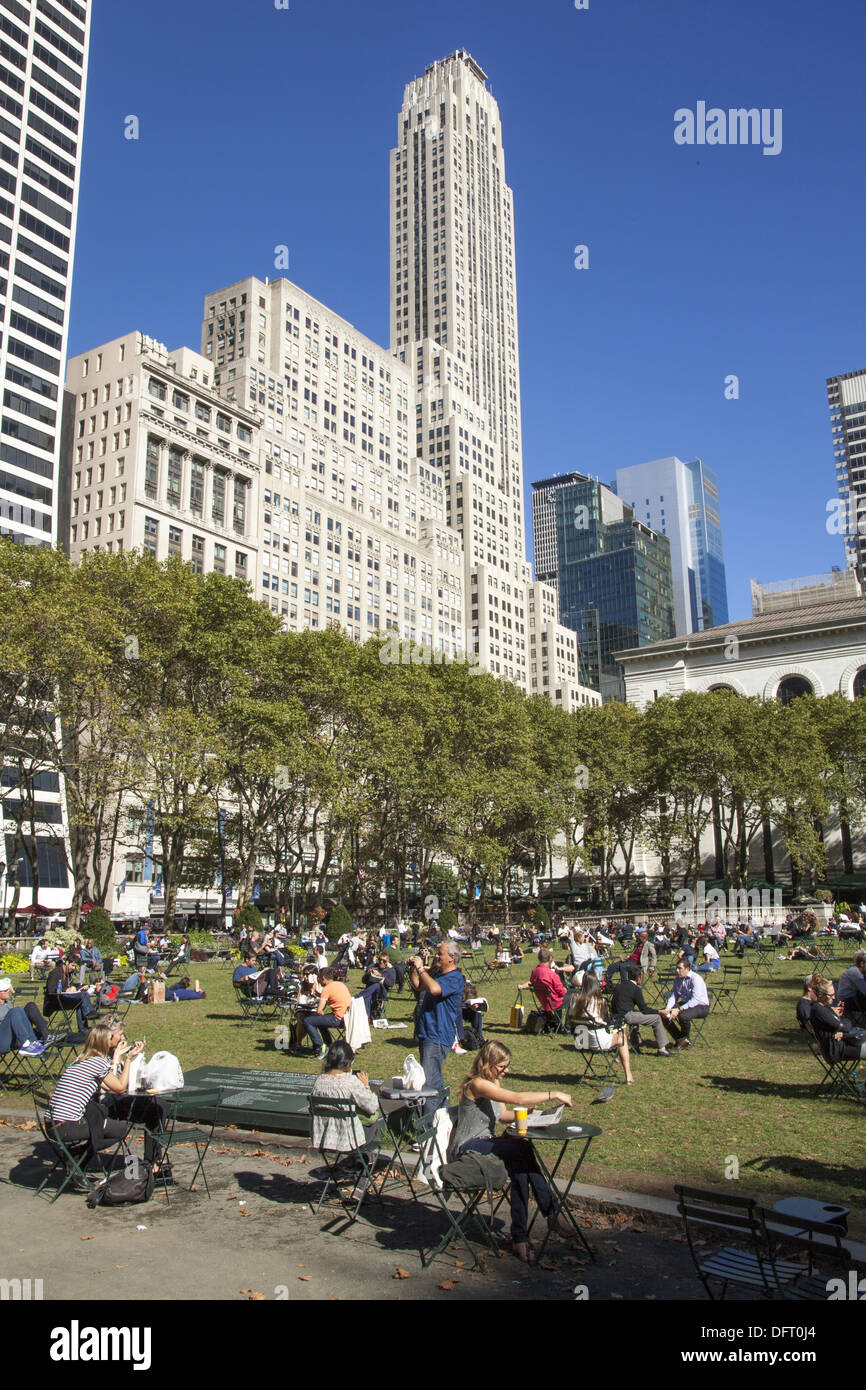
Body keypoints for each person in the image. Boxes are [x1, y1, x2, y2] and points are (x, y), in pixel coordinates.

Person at [451, 1041, 574, 1263]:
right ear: (489, 1063)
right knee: (521, 1150)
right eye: (502, 1066)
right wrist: (554, 1093)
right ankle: (550, 1214)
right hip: (469, 1145)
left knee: (520, 1162)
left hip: (487, 1141)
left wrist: (527, 1113)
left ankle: (521, 1237)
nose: (506, 1071)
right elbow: (517, 1097)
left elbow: (503, 1115)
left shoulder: (492, 1081)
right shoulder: (478, 1084)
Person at [45, 1024, 165, 1184]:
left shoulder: (80, 1059)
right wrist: (128, 1059)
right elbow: (120, 1087)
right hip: (66, 1126)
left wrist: (116, 1059)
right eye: (112, 1037)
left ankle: (76, 1160)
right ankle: (76, 1157)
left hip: (53, 1123)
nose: (118, 1039)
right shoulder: (97, 1063)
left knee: (106, 1125)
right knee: (120, 1129)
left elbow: (111, 1087)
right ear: (104, 1042)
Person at [408, 941, 465, 1113]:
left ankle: (431, 1127)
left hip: (438, 1036)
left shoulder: (455, 978)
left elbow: (433, 989)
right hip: (428, 1033)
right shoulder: (439, 974)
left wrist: (421, 969)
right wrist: (412, 968)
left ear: (452, 958)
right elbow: (419, 985)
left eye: (440, 954)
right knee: (434, 1079)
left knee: (431, 1084)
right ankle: (445, 1118)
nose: (436, 956)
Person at [310, 1039, 378, 1151]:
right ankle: (363, 1159)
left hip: (323, 1137)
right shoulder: (350, 1082)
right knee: (372, 1119)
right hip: (348, 1139)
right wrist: (366, 1086)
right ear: (347, 1063)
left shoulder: (319, 1081)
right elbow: (372, 1106)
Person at [569, 972, 635, 1083]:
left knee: (612, 1032)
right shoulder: (600, 1002)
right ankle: (628, 1075)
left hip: (581, 1041)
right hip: (597, 1041)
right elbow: (606, 1022)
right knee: (622, 1035)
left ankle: (618, 1057)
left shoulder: (574, 999)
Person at [610, 964, 676, 1058]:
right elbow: (644, 1009)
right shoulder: (636, 989)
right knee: (656, 1019)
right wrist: (659, 1012)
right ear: (638, 978)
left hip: (615, 1016)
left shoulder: (620, 986)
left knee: (635, 1014)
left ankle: (635, 1045)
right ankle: (662, 1048)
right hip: (626, 1016)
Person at [658, 958, 710, 1050]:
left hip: (701, 1006)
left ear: (687, 969)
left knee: (683, 1016)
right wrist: (667, 1009)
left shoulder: (696, 979)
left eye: (679, 968)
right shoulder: (677, 979)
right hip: (686, 1003)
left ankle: (684, 1039)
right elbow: (674, 996)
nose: (677, 970)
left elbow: (695, 1000)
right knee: (663, 1015)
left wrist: (678, 1009)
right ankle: (682, 1040)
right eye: (676, 968)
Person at [808, 979, 866, 1061]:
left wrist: (840, 1017)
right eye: (831, 995)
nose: (834, 998)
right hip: (836, 1050)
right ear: (820, 994)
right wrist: (844, 1020)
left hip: (842, 1044)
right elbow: (846, 1027)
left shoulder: (824, 1007)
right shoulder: (819, 1011)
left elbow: (841, 1025)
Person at [300, 967, 352, 1058]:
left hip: (338, 1019)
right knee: (320, 1022)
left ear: (323, 978)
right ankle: (329, 1045)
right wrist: (319, 995)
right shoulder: (340, 984)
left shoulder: (327, 989)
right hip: (347, 1017)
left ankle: (320, 1047)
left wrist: (320, 1013)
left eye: (319, 979)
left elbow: (319, 1011)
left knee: (308, 1021)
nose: (319, 981)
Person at [44, 957, 95, 1034]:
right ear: (67, 963)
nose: (74, 968)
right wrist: (65, 990)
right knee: (83, 996)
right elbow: (51, 990)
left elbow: (71, 986)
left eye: (75, 966)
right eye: (72, 965)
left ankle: (84, 1030)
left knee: (81, 1000)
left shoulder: (69, 975)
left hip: (64, 999)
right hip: (54, 1002)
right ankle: (89, 1013)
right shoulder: (55, 973)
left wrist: (81, 987)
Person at [518, 947, 566, 1027]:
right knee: (573, 997)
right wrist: (565, 990)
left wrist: (522, 986)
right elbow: (561, 992)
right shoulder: (552, 975)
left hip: (543, 1001)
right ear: (550, 958)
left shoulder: (535, 971)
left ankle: (555, 1023)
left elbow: (530, 983)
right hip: (554, 1002)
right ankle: (564, 1026)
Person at [0, 977, 49, 1055]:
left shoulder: (7, 1002)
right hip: (2, 1041)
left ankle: (43, 1037)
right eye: (5, 990)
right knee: (16, 1010)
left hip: (14, 1036)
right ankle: (25, 1044)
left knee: (30, 1006)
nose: (8, 991)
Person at [358, 952, 396, 1019]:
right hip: (369, 991)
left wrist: (380, 976)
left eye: (384, 961)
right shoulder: (373, 966)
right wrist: (368, 974)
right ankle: (367, 1018)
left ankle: (358, 997)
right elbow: (363, 981)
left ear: (387, 962)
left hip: (381, 992)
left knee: (376, 985)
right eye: (380, 960)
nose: (381, 962)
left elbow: (391, 983)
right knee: (368, 996)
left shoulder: (390, 970)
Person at [836, 952, 866, 1025]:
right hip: (846, 1001)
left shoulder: (859, 971)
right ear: (862, 964)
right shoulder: (855, 972)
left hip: (854, 997)